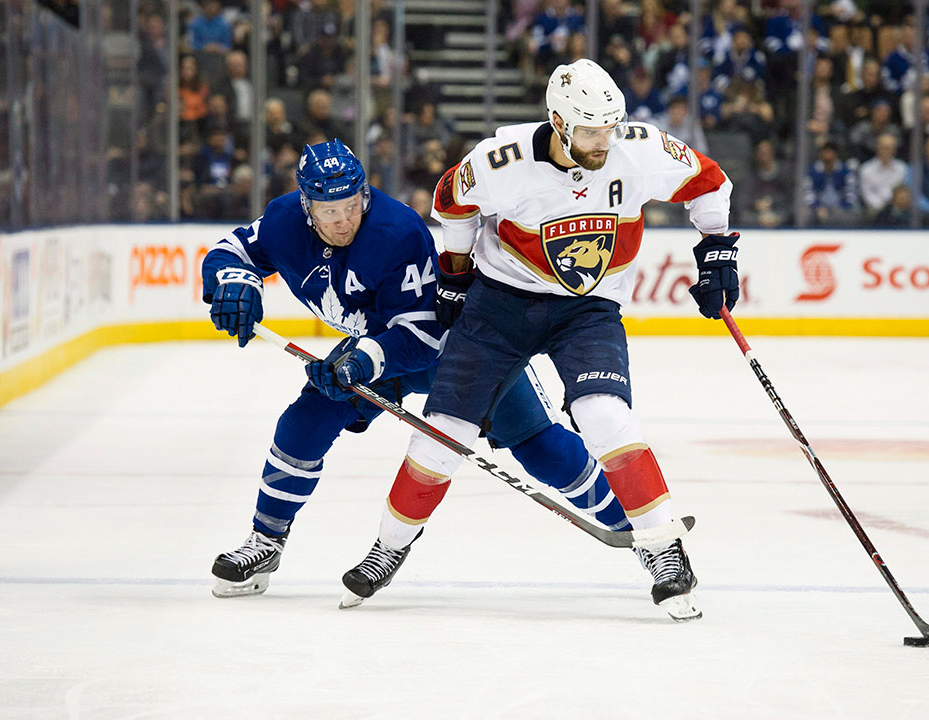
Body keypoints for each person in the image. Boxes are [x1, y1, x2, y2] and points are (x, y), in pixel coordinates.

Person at [340, 59, 737, 622]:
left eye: (611, 127)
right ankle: (388, 547)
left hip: (589, 308)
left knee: (605, 417)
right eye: (592, 131)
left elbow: (709, 181)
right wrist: (454, 274)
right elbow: (451, 203)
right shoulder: (501, 161)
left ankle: (664, 550)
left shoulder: (639, 147)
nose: (606, 140)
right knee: (442, 435)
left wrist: (717, 246)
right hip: (500, 305)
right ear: (558, 121)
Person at [201, 139, 630, 599]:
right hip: (370, 354)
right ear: (307, 207)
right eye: (328, 212)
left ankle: (637, 526)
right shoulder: (283, 220)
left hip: (461, 349)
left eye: (351, 204)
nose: (343, 219)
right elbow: (231, 252)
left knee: (539, 447)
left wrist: (361, 358)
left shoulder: (397, 231)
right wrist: (235, 282)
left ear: (364, 194)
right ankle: (266, 540)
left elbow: (423, 335)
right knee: (303, 423)